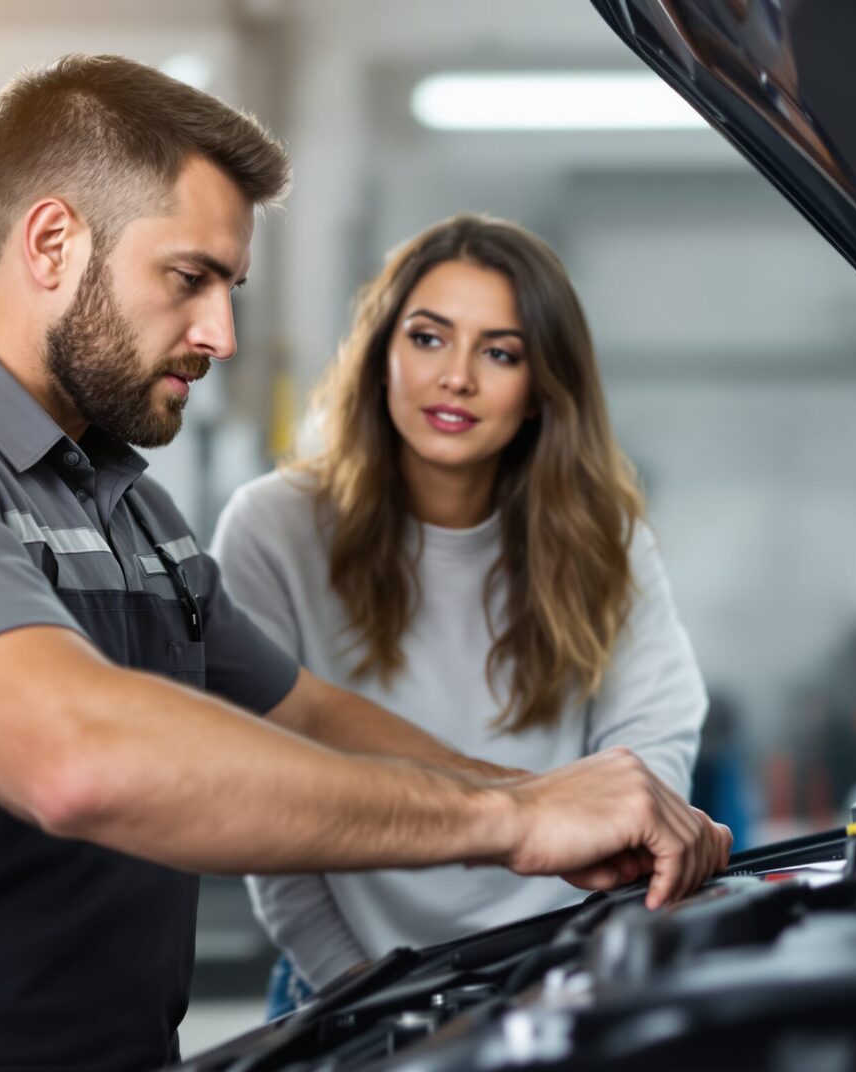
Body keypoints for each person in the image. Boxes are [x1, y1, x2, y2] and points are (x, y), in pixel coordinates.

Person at [0, 55, 729, 1071]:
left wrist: (559, 801)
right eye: (190, 278)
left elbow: (307, 715)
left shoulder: (135, 513)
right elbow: (78, 759)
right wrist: (508, 818)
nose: (222, 333)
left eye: (230, 287)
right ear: (53, 241)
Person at [214, 215, 709, 1011]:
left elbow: (649, 751)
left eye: (500, 352)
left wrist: (575, 975)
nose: (457, 377)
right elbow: (269, 805)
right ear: (382, 358)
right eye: (429, 338)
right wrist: (368, 999)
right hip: (343, 986)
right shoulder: (272, 527)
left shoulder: (603, 537)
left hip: (558, 980)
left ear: (544, 390)